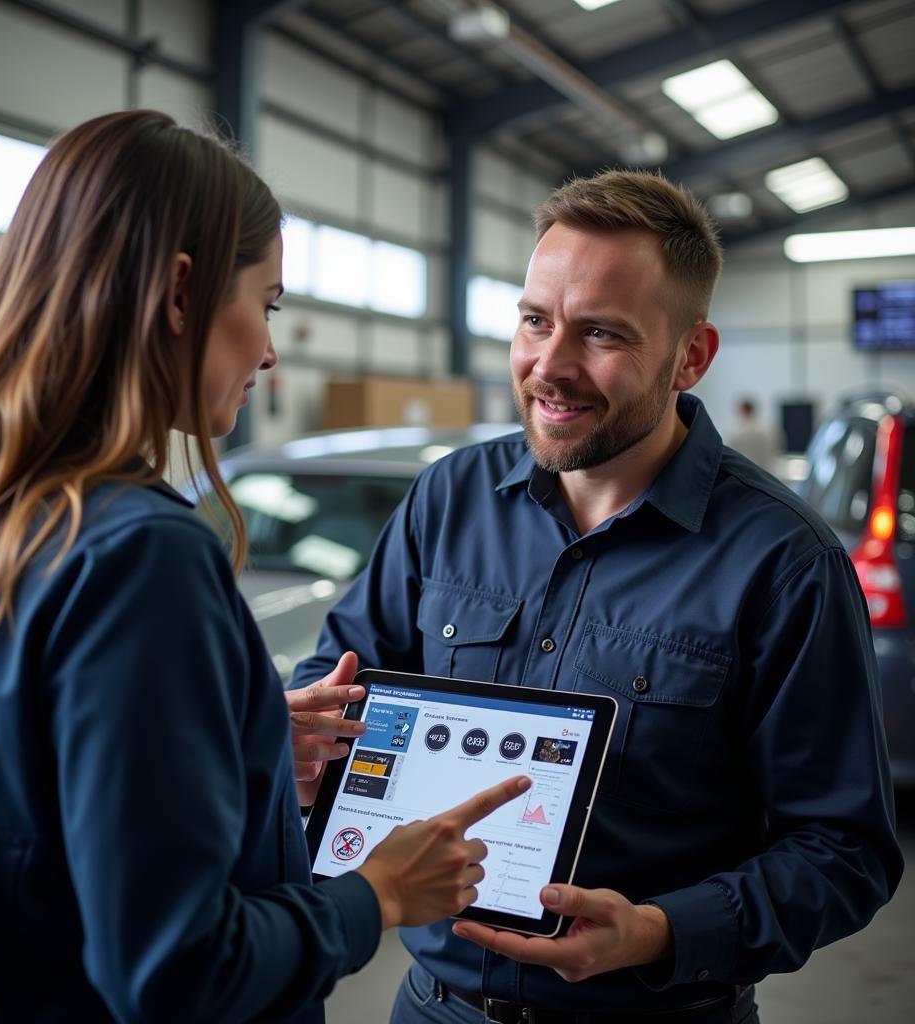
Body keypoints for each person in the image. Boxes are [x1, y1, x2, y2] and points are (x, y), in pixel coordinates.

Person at [0, 110, 531, 1024]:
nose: (270, 351)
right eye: (266, 305)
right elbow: (177, 967)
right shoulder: (140, 554)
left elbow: (15, 798)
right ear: (183, 294)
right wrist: (378, 895)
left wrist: (236, 740)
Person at [291, 170, 903, 1024]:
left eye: (601, 334)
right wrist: (307, 739)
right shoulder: (449, 500)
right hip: (436, 1006)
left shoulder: (783, 560)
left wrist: (656, 931)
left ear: (691, 356)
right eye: (535, 321)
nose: (550, 365)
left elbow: (844, 851)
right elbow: (344, 676)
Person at [727, 397, 782, 473]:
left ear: (743, 411)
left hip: (746, 474)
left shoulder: (737, 434)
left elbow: (731, 455)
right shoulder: (769, 431)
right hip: (767, 473)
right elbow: (777, 449)